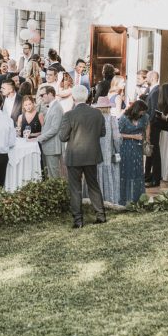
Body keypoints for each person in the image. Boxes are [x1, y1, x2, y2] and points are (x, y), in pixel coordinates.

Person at [59, 85, 107, 228]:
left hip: (74, 155)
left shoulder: (69, 115)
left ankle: (78, 220)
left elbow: (62, 137)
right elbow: (102, 133)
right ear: (87, 97)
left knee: (75, 188)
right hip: (92, 154)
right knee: (93, 185)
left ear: (73, 97)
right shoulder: (97, 113)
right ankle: (100, 215)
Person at [117, 100, 149, 205]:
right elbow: (119, 134)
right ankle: (125, 198)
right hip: (126, 148)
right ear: (136, 110)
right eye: (142, 111)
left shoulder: (144, 117)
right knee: (126, 170)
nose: (143, 113)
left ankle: (137, 198)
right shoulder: (124, 119)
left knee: (137, 170)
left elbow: (147, 126)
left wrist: (146, 138)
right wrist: (133, 136)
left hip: (138, 148)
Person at [93, 95, 122, 206]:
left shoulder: (94, 119)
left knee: (96, 175)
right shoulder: (112, 119)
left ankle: (97, 201)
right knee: (109, 174)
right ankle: (110, 200)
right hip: (108, 154)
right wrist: (118, 149)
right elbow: (116, 138)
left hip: (96, 153)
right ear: (109, 108)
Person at [36, 86, 63, 178]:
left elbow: (54, 129)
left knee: (54, 175)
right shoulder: (52, 107)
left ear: (50, 94)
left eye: (42, 95)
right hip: (49, 146)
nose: (41, 97)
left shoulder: (57, 107)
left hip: (53, 147)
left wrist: (39, 138)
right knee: (50, 174)